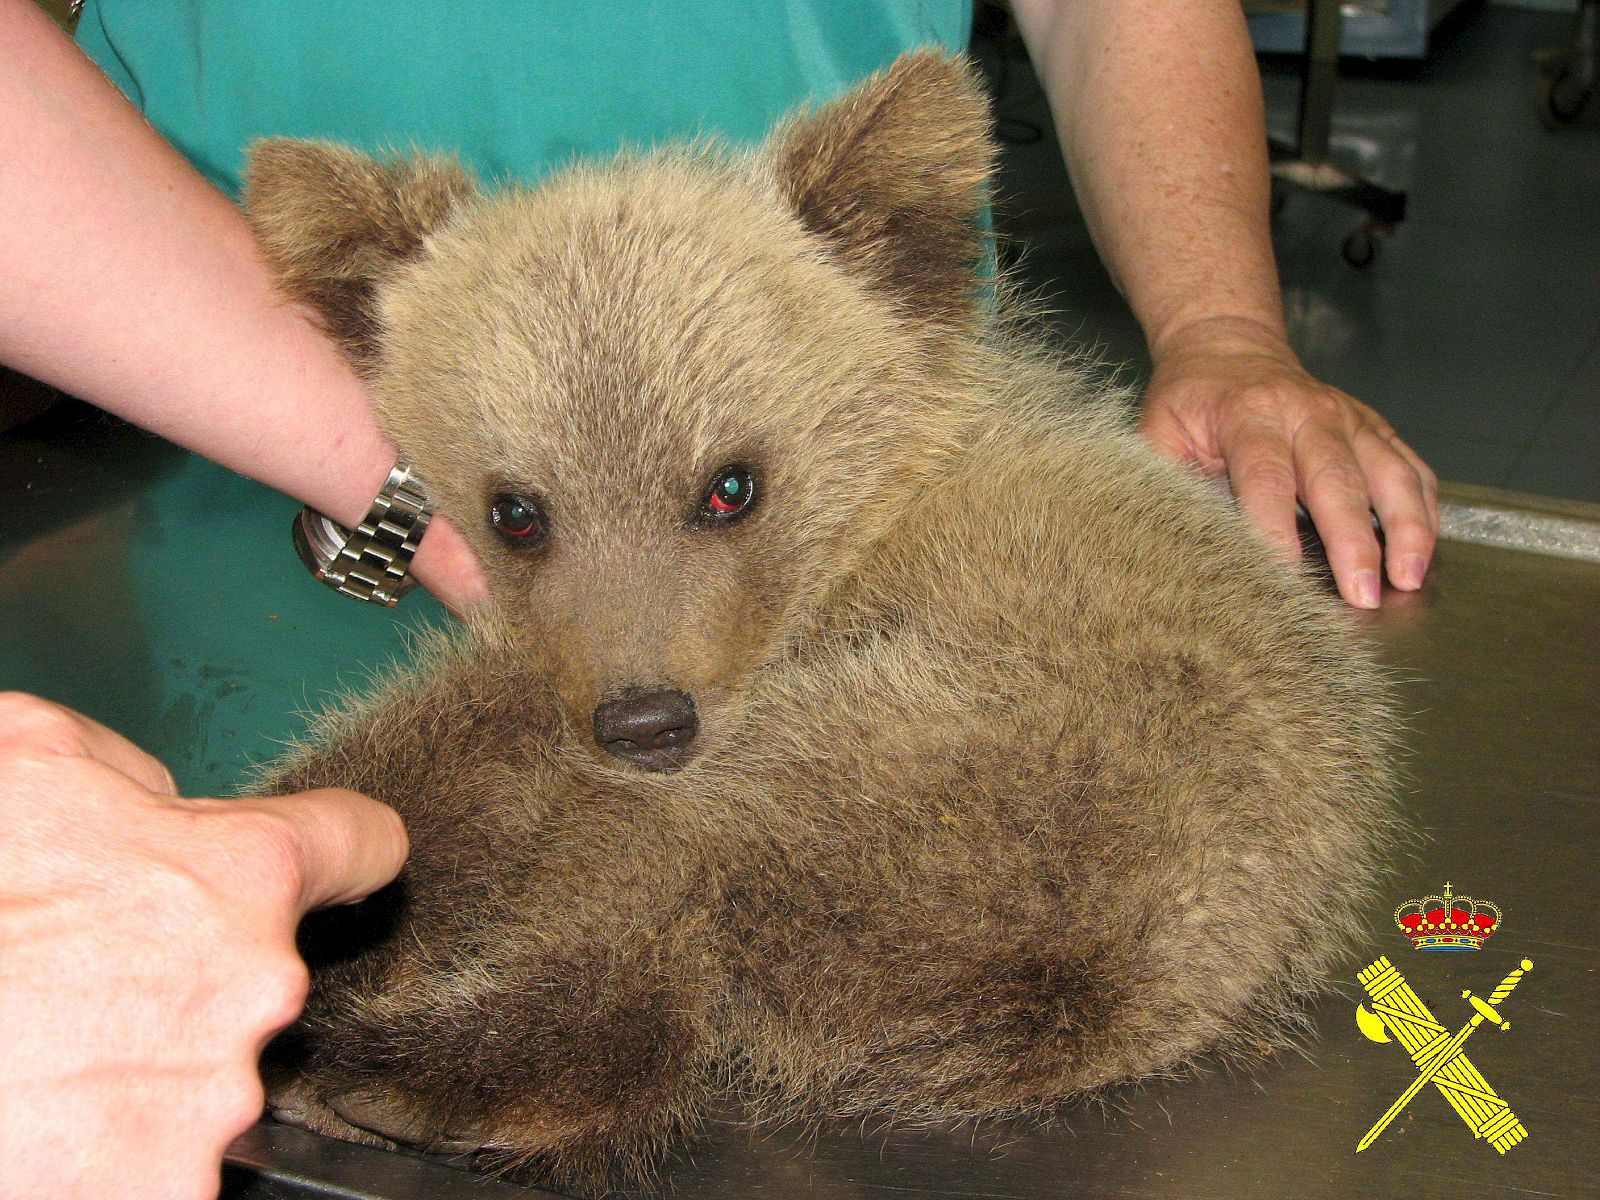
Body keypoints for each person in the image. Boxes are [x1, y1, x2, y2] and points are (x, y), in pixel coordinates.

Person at [0, 2, 1439, 1196]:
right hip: (209, 437)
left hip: (1074, 851)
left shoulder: (925, 494)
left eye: (732, 497)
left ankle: (562, 1025)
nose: (635, 665)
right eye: (519, 523)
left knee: (519, 761)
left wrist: (1224, 323)